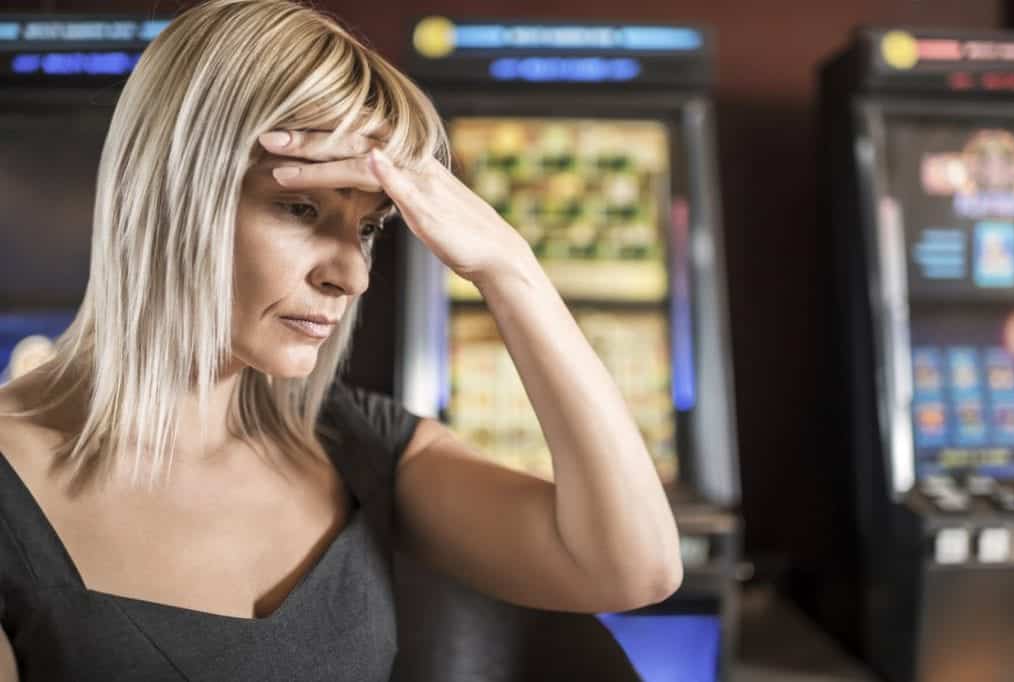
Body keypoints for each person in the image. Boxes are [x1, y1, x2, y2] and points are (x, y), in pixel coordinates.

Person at [0, 1, 682, 680]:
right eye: (301, 209)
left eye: (368, 226)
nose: (352, 274)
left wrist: (509, 266)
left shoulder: (358, 447)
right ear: (175, 193)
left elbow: (635, 569)